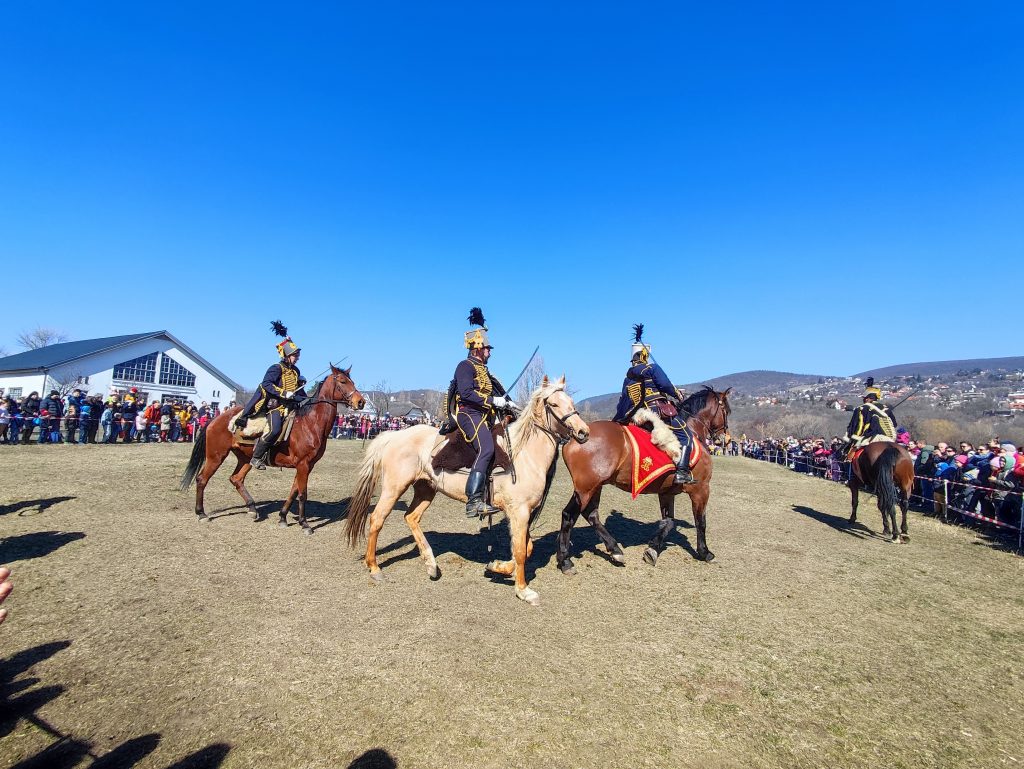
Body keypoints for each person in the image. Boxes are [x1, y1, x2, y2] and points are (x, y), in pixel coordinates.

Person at [449, 307, 516, 516]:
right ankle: (473, 501)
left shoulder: (485, 372)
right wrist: (492, 400)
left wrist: (507, 403)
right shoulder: (464, 366)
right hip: (469, 414)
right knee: (487, 448)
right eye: (487, 348)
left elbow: (496, 392)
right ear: (477, 348)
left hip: (484, 416)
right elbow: (467, 393)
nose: (490, 351)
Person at [612, 324, 693, 484]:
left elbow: (623, 401)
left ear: (633, 362)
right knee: (687, 436)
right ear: (645, 358)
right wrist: (676, 393)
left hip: (637, 416)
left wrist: (618, 420)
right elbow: (664, 384)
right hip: (657, 412)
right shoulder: (653, 368)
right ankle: (682, 472)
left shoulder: (628, 378)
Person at [235, 320, 307, 470]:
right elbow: (266, 384)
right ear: (286, 355)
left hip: (292, 407)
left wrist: (306, 398)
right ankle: (256, 458)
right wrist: (284, 393)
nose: (297, 358)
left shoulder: (296, 372)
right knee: (274, 430)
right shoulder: (276, 368)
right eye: (295, 355)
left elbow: (299, 391)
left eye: (297, 355)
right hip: (276, 407)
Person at [844, 377, 897, 453]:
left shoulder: (862, 408)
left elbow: (856, 426)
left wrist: (851, 439)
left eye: (864, 398)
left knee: (849, 456)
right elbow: (894, 424)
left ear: (867, 398)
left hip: (869, 438)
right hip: (889, 438)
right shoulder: (886, 409)